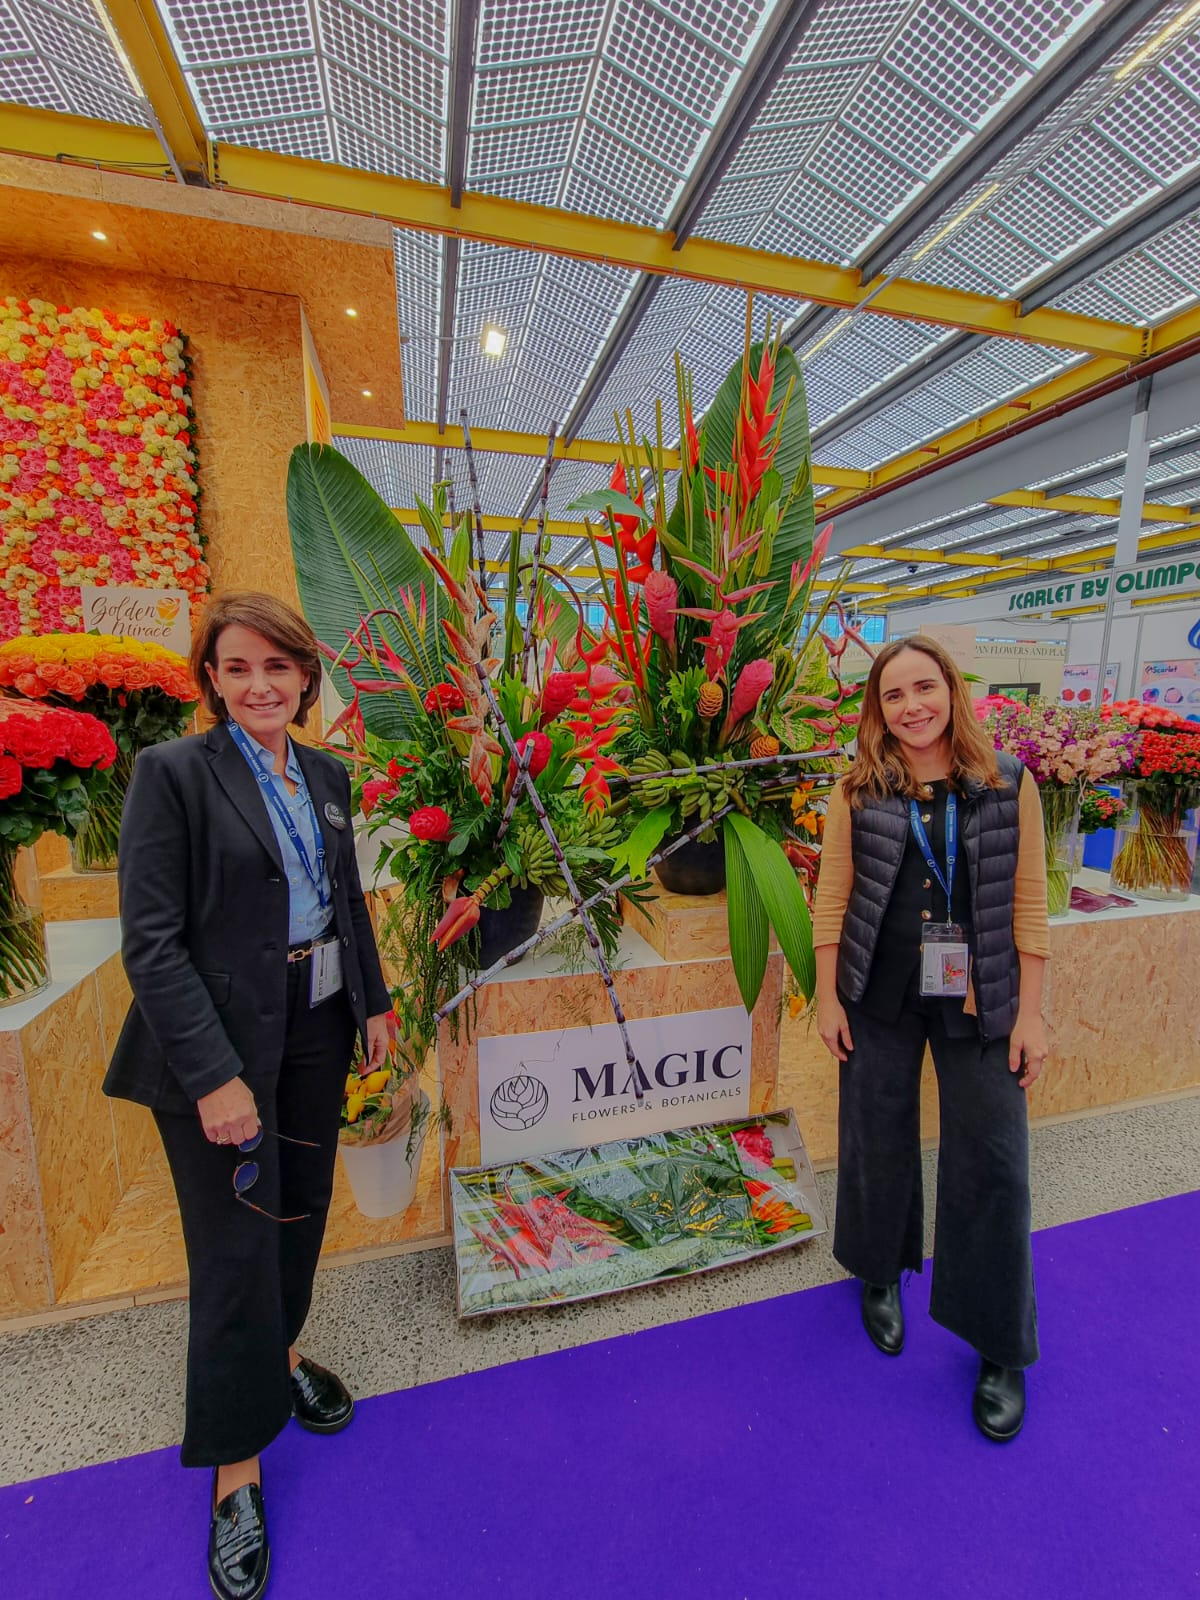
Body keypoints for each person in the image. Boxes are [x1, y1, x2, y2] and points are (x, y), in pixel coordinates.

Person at [104, 591, 392, 1600]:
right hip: (220, 1051)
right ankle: (235, 1467)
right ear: (213, 681)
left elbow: (345, 899)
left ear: (306, 677)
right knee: (234, 1248)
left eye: (279, 667)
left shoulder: (325, 773)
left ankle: (281, 1351)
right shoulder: (173, 775)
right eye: (239, 668)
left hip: (316, 1028)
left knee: (301, 1219)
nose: (261, 685)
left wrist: (376, 1002)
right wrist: (216, 1074)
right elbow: (151, 939)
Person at [812, 635, 1050, 1442]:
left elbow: (1029, 906)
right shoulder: (859, 791)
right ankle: (880, 1271)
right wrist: (825, 995)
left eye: (925, 687)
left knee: (993, 1159)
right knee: (875, 1138)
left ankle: (999, 1343)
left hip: (981, 994)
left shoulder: (1009, 783)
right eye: (893, 696)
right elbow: (833, 894)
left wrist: (1034, 1011)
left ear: (951, 688)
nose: (912, 707)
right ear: (876, 710)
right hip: (877, 990)